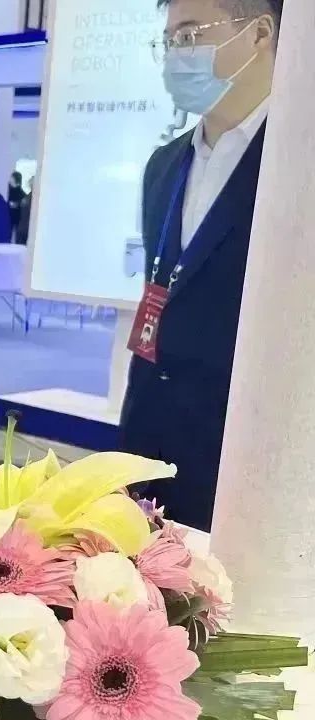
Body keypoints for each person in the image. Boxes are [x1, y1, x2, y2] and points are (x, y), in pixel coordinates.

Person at [119, 0, 281, 531]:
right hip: (148, 444)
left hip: (245, 452)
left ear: (260, 34)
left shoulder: (293, 161)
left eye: (190, 36)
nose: (175, 56)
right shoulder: (165, 165)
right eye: (168, 42)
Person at [7, 171, 25, 240]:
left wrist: (15, 204)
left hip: (17, 218)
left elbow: (21, 205)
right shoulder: (8, 189)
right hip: (8, 216)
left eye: (11, 177)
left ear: (15, 179)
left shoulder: (21, 193)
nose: (10, 179)